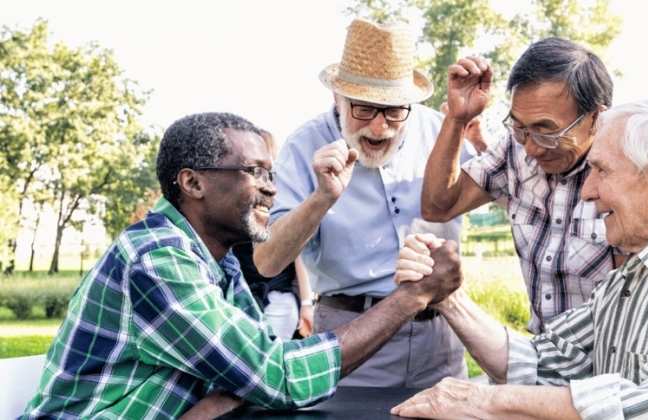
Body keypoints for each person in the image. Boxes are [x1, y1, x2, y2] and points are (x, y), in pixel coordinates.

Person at [21, 112, 463, 419]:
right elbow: (281, 378)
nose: (271, 191)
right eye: (255, 172)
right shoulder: (158, 261)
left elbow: (260, 369)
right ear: (192, 182)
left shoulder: (219, 263)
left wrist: (243, 386)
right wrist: (413, 296)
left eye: (271, 174)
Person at [392, 100, 648, 419]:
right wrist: (446, 296)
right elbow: (543, 364)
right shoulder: (630, 278)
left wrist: (488, 402)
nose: (586, 191)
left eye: (601, 171)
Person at [253, 18, 470, 388]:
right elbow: (268, 261)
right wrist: (322, 198)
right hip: (351, 336)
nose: (378, 127)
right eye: (363, 109)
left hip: (440, 336)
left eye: (392, 111)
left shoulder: (442, 132)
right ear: (337, 98)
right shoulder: (304, 145)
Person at [422, 38, 618, 333]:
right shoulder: (513, 151)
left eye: (547, 132)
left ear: (596, 118)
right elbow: (438, 207)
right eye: (520, 128)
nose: (532, 149)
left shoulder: (629, 171)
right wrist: (457, 118)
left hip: (607, 370)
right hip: (543, 359)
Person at [232, 129, 314, 339]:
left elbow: (299, 253)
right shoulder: (236, 196)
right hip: (240, 294)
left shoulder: (280, 196)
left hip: (275, 296)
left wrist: (307, 303)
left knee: (268, 363)